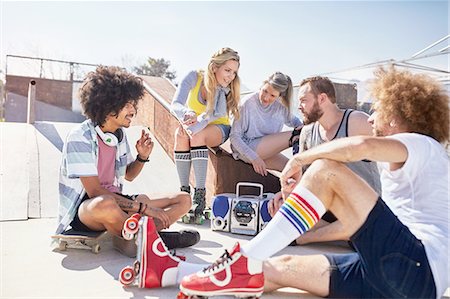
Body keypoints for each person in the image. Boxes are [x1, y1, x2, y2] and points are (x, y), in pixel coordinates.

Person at [126, 67, 448, 299]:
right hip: (397, 281)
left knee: (325, 168)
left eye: (378, 111)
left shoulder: (421, 143)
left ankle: (245, 256)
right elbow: (354, 226)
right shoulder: (411, 166)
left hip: (415, 264)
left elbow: (359, 147)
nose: (373, 118)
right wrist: (307, 236)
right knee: (275, 269)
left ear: (398, 114)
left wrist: (299, 160)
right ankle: (169, 272)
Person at [56, 66, 199, 251]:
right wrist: (144, 209)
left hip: (119, 201)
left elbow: (129, 176)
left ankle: (135, 239)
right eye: (128, 105)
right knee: (105, 204)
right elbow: (95, 192)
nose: (133, 110)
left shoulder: (119, 135)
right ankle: (152, 239)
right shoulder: (80, 136)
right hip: (87, 209)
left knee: (184, 199)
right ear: (107, 105)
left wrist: (142, 157)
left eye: (134, 104)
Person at [268, 75, 381, 246]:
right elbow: (307, 179)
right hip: (329, 208)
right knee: (282, 204)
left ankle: (312, 236)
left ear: (322, 98)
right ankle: (343, 233)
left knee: (364, 223)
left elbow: (389, 148)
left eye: (304, 100)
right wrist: (287, 192)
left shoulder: (356, 121)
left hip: (360, 207)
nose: (299, 107)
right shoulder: (307, 132)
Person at [171, 47, 241, 216]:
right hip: (196, 125)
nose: (231, 77)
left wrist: (193, 126)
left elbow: (209, 117)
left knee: (196, 134)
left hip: (219, 128)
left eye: (234, 72)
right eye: (227, 70)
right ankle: (184, 192)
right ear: (215, 67)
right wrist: (186, 113)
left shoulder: (223, 90)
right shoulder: (193, 77)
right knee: (179, 135)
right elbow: (176, 104)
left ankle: (200, 196)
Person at [229, 72, 303, 176]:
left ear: (279, 96)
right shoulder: (247, 104)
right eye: (265, 91)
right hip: (246, 149)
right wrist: (254, 158)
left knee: (294, 171)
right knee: (299, 133)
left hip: (265, 151)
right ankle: (303, 159)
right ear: (261, 86)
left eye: (272, 95)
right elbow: (234, 136)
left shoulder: (280, 106)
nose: (266, 98)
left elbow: (295, 122)